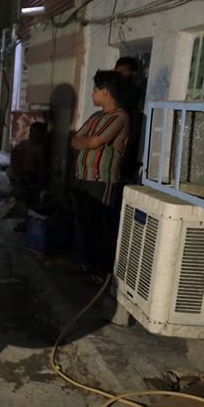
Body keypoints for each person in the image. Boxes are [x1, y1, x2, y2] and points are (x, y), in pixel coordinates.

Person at [70, 70, 131, 284]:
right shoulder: (97, 117)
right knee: (84, 223)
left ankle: (102, 271)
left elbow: (92, 142)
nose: (92, 94)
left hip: (102, 181)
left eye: (95, 90)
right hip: (83, 177)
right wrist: (84, 141)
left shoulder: (120, 117)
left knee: (100, 227)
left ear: (105, 91)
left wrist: (85, 141)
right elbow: (76, 139)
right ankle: (86, 263)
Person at [114, 56, 144, 183]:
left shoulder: (134, 94)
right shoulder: (117, 92)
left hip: (126, 155)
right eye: (117, 72)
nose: (119, 76)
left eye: (123, 72)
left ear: (134, 74)